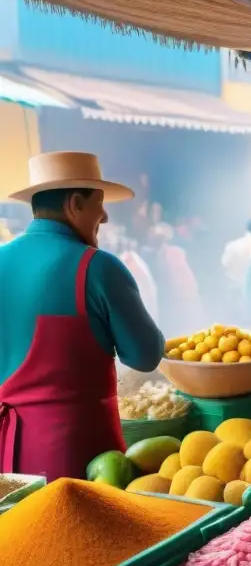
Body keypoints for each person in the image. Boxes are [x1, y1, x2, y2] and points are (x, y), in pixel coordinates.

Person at [0, 152, 163, 480]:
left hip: (6, 458)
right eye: (98, 203)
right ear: (75, 204)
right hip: (76, 456)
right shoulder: (98, 267)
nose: (104, 216)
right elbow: (145, 356)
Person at [150, 222, 201, 336]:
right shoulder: (162, 252)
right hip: (173, 291)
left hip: (178, 291)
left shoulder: (172, 252)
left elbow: (177, 274)